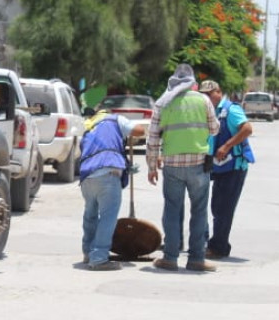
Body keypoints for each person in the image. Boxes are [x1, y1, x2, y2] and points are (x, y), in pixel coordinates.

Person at [146, 64, 219, 272]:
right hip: (198, 165)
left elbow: (152, 138)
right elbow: (214, 129)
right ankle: (196, 259)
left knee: (171, 210)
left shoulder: (163, 102)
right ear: (192, 82)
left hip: (172, 166)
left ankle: (170, 257)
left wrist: (152, 166)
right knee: (199, 211)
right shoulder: (203, 100)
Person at [79, 110, 146, 270]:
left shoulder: (89, 126)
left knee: (90, 214)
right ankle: (99, 258)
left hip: (87, 175)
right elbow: (139, 131)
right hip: (107, 174)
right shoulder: (115, 119)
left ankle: (88, 252)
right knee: (108, 217)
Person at [198, 80, 255, 259]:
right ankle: (215, 243)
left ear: (219, 92)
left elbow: (247, 129)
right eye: (203, 95)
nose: (207, 98)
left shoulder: (231, 109)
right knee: (216, 206)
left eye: (210, 94)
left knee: (224, 208)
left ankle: (219, 247)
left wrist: (227, 146)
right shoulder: (210, 111)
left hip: (234, 167)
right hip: (219, 167)